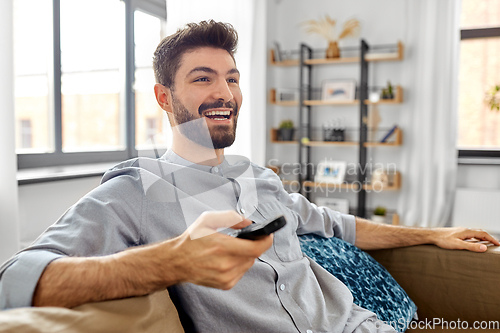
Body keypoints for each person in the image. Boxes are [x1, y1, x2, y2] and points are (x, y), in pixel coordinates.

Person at [0, 20, 498, 332]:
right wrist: (172, 262)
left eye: (231, 78)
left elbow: (339, 226)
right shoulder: (134, 189)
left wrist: (436, 233)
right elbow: (13, 280)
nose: (224, 93)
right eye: (202, 79)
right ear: (162, 96)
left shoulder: (260, 177)